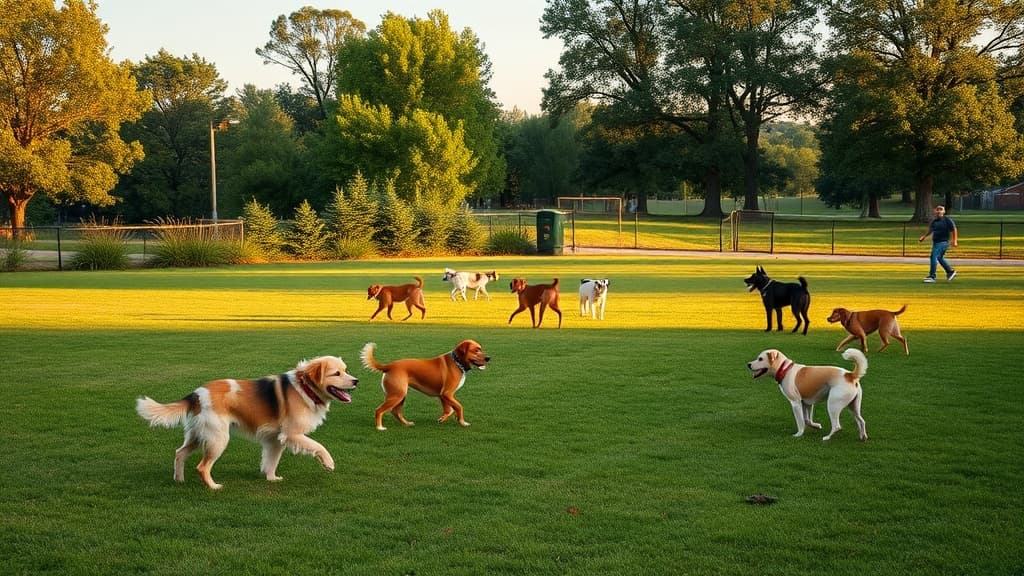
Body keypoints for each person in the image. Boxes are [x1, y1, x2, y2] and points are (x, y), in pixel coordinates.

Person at [918, 205, 958, 283]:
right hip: (936, 242)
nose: (939, 211)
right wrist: (924, 236)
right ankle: (950, 271)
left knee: (933, 256)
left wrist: (955, 241)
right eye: (937, 209)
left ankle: (932, 276)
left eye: (941, 209)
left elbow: (954, 229)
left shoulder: (947, 220)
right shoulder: (934, 221)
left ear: (944, 212)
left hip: (943, 242)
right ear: (935, 211)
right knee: (940, 258)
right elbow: (930, 230)